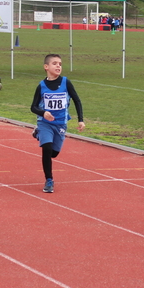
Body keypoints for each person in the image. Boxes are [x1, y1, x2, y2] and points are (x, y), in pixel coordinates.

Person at [30, 54, 85, 193]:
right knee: (46, 149)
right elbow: (33, 107)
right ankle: (49, 180)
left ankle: (37, 134)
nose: (58, 66)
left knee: (54, 153)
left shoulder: (66, 83)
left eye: (60, 63)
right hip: (45, 123)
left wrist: (80, 120)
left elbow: (77, 100)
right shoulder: (41, 86)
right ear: (46, 67)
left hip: (61, 123)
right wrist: (43, 113)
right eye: (55, 63)